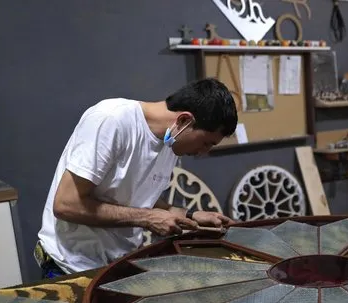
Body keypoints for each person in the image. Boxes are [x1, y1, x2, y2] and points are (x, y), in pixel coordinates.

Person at [36, 78, 237, 279]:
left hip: (115, 266)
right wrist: (148, 219)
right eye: (205, 143)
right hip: (69, 266)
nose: (203, 153)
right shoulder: (111, 120)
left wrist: (190, 215)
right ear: (184, 121)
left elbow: (137, 198)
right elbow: (66, 204)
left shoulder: (171, 143)